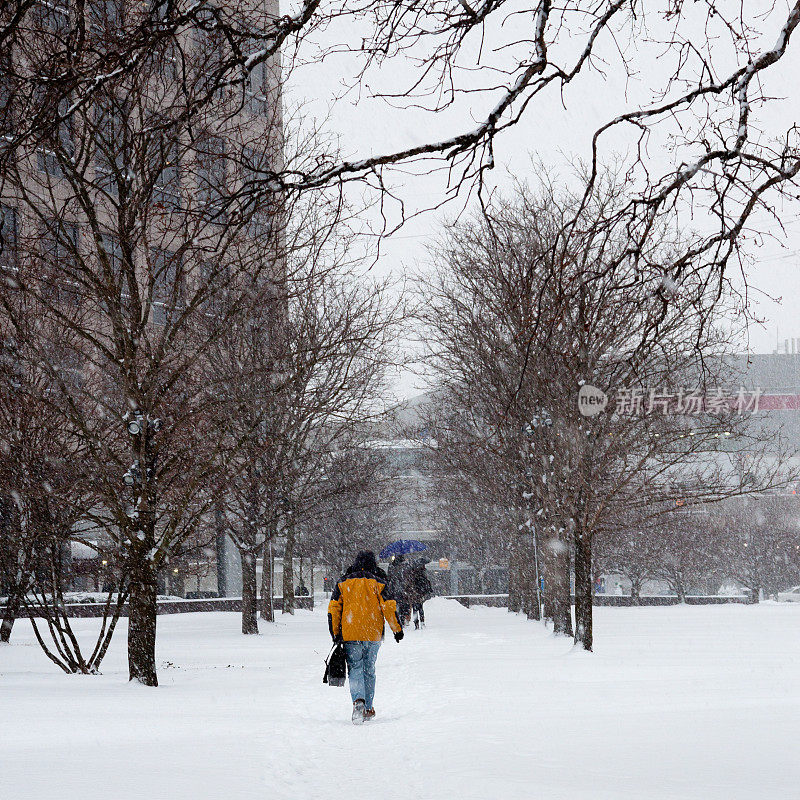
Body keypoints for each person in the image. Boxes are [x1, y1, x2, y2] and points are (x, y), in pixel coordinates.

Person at [327, 551, 404, 724]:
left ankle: (358, 702)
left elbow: (334, 609)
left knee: (355, 668)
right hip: (373, 633)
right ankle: (368, 707)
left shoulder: (343, 582)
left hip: (350, 632)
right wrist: (396, 629)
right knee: (369, 669)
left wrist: (335, 633)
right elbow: (389, 607)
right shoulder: (379, 582)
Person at [405, 558, 433, 629]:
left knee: (415, 609)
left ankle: (416, 624)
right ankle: (422, 623)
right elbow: (425, 582)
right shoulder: (422, 572)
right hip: (420, 592)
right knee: (420, 608)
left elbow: (410, 583)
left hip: (414, 592)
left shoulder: (413, 573)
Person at [386, 553, 410, 626]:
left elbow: (389, 577)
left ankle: (397, 619)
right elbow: (407, 576)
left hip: (394, 588)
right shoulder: (405, 566)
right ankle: (402, 618)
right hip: (403, 588)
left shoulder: (391, 566)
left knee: (396, 604)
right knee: (403, 604)